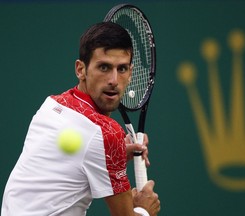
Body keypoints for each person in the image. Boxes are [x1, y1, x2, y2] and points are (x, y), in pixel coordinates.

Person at [1, 22, 160, 216]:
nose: (113, 80)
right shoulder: (105, 134)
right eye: (104, 67)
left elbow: (74, 161)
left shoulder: (52, 105)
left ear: (131, 73)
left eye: (122, 69)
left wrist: (114, 153)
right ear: (80, 70)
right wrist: (144, 209)